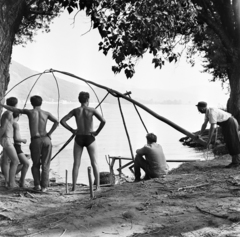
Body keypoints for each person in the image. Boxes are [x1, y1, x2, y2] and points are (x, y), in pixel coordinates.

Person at [0, 95, 59, 191]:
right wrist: (49, 133)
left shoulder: (30, 112)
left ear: (32, 103)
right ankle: (44, 187)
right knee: (46, 164)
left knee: (36, 164)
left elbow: (15, 109)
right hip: (46, 140)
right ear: (41, 102)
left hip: (36, 140)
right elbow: (57, 121)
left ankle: (37, 185)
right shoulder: (46, 113)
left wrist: (2, 105)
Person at [60, 91, 106, 191]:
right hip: (90, 137)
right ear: (88, 99)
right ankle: (97, 187)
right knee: (94, 162)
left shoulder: (76, 111)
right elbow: (103, 121)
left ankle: (73, 188)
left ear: (79, 100)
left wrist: (72, 130)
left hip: (79, 137)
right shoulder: (92, 110)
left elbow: (62, 121)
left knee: (76, 163)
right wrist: (97, 132)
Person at [196, 101, 240, 168]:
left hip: (230, 123)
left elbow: (212, 127)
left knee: (233, 142)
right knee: (228, 141)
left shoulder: (211, 113)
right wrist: (200, 134)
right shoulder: (207, 112)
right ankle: (235, 161)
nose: (198, 110)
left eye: (199, 108)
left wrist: (209, 140)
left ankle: (236, 162)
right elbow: (204, 124)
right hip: (226, 124)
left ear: (202, 108)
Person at [1, 112, 30, 188]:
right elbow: (16, 139)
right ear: (18, 116)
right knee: (26, 163)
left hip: (11, 145)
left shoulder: (9, 124)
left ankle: (9, 181)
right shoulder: (15, 124)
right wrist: (23, 140)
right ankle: (20, 181)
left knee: (7, 161)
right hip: (16, 146)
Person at [0, 97, 20, 188]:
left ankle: (7, 182)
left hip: (8, 139)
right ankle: (11, 183)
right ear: (15, 104)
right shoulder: (8, 113)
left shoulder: (9, 113)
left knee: (6, 161)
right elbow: (3, 127)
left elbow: (8, 125)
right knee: (15, 161)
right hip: (7, 139)